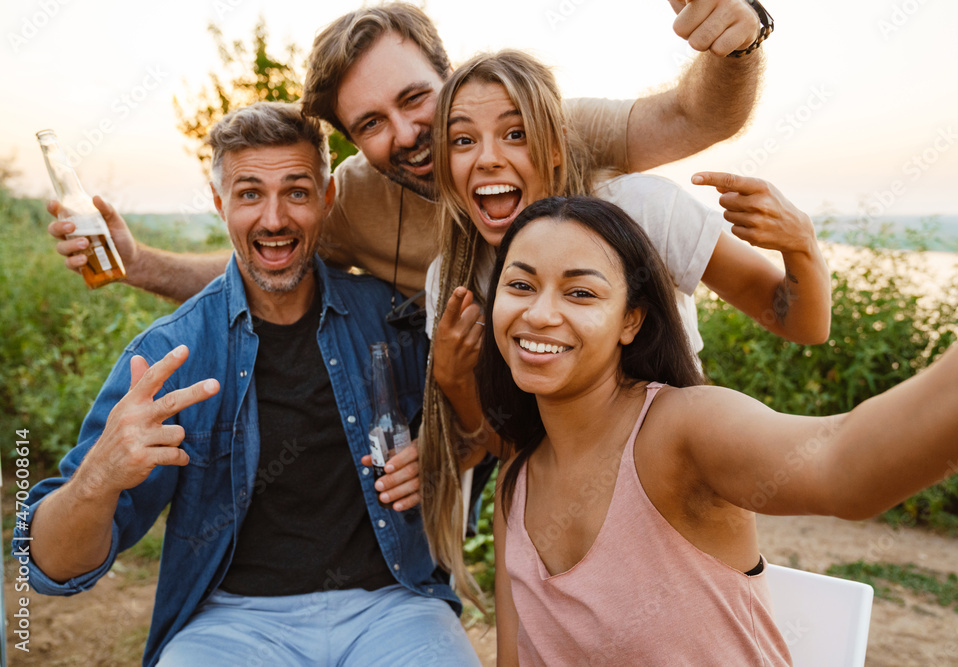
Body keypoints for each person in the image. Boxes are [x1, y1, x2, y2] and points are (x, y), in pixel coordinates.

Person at [14, 102, 479, 667]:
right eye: (250, 193)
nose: (275, 219)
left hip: (393, 607)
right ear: (220, 204)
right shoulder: (168, 356)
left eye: (297, 192)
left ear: (327, 200)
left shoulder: (391, 317)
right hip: (230, 623)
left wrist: (442, 444)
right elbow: (50, 567)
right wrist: (98, 477)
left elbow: (486, 427)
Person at [477, 192, 958, 665]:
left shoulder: (682, 428)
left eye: (581, 294)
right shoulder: (513, 488)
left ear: (630, 321)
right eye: (520, 285)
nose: (540, 314)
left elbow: (840, 465)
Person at [418, 50, 831, 597]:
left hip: (673, 498)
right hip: (555, 527)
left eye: (515, 134)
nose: (488, 159)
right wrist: (452, 378)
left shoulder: (644, 211)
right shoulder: (452, 280)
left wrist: (802, 247)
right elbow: (507, 443)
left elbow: (799, 323)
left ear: (556, 148)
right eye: (463, 140)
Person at [48, 0, 770, 302]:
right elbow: (262, 263)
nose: (403, 133)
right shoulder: (357, 197)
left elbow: (693, 116)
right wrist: (136, 260)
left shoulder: (544, 126)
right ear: (352, 141)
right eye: (370, 123)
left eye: (415, 99)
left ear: (448, 72)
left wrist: (736, 38)